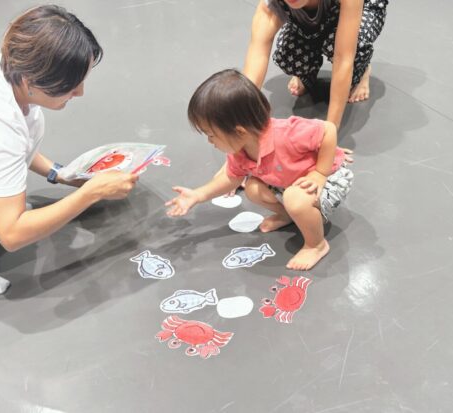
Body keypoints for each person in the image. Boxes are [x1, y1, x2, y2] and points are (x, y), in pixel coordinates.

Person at [0, 5, 138, 298]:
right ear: (32, 80)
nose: (80, 92)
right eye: (71, 85)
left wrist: (61, 174)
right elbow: (12, 233)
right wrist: (91, 193)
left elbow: (12, 151)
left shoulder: (2, 67)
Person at [166, 69, 353, 271]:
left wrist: (319, 173)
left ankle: (316, 245)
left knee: (295, 199)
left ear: (239, 131)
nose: (210, 142)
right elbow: (231, 178)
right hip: (290, 181)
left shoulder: (287, 133)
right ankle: (288, 215)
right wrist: (197, 195)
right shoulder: (240, 150)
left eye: (211, 135)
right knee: (253, 189)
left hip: (328, 179)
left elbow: (328, 130)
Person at [244, 0, 388, 129]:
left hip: (361, 7)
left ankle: (363, 69)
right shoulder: (270, 4)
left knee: (351, 48)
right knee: (288, 54)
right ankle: (307, 74)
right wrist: (241, 114)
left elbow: (343, 58)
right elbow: (258, 53)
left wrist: (331, 128)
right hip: (316, 15)